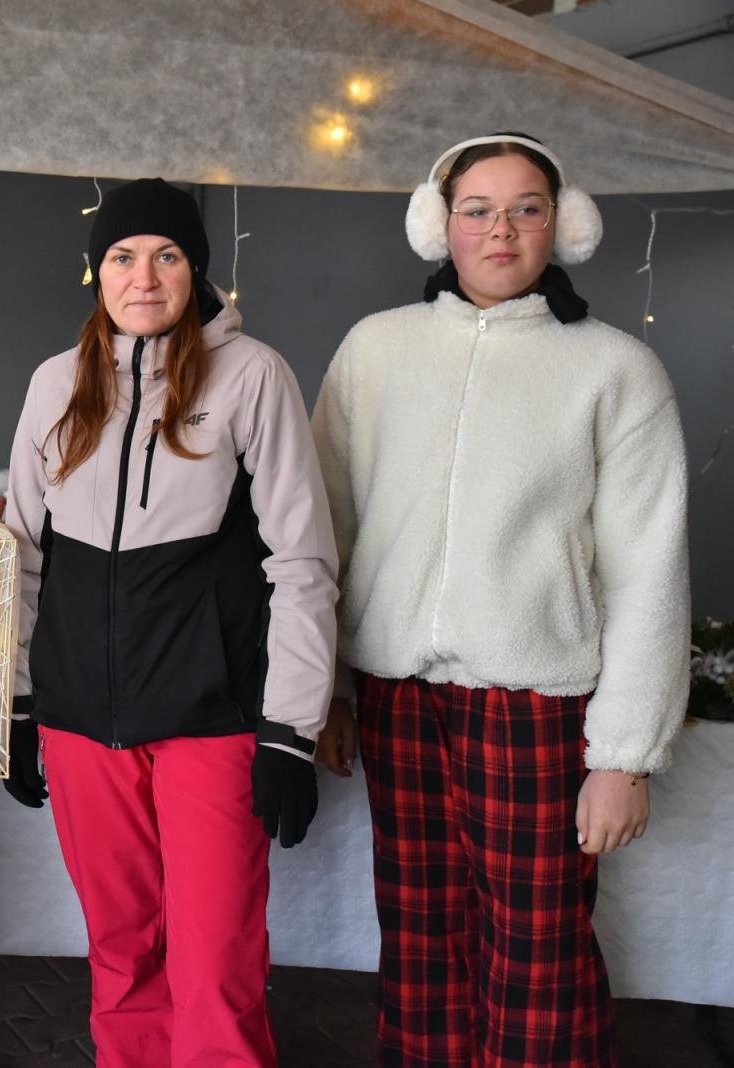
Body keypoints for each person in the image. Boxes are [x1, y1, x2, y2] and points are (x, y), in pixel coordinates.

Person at [311, 133, 690, 1066]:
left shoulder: (615, 370)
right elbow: (326, 530)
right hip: (399, 698)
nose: (500, 229)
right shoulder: (375, 350)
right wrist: (327, 691)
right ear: (440, 224)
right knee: (419, 946)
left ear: (561, 226)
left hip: (538, 705)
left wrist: (625, 756)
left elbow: (650, 568)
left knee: (540, 955)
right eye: (476, 208)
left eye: (527, 208)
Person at [1, 178, 339, 1067]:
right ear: (96, 271)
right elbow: (23, 557)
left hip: (211, 719)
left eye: (166, 255)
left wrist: (291, 733)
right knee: (122, 954)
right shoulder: (52, 384)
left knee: (215, 963)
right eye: (121, 256)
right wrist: (19, 704)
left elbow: (302, 563)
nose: (142, 277)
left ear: (197, 269)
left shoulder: (252, 375)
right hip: (81, 721)